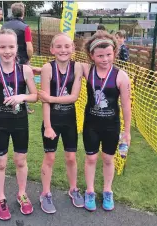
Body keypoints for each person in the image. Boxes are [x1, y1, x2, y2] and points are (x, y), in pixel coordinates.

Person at [0, 29, 38, 220]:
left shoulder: (26, 70)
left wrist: (23, 96)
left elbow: (35, 96)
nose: (7, 51)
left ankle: (22, 193)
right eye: (3, 46)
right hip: (0, 123)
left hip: (20, 122)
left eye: (11, 46)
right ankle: (0, 198)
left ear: (17, 47)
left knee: (21, 161)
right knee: (1, 163)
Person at [81, 30, 131, 211]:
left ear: (115, 53)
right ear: (91, 55)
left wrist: (127, 132)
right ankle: (90, 191)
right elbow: (63, 67)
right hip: (91, 125)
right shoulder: (86, 70)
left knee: (108, 159)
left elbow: (126, 106)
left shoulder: (121, 76)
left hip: (111, 125)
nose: (105, 59)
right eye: (100, 55)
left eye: (108, 55)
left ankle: (107, 190)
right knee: (91, 158)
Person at [38, 33, 84, 214]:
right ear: (52, 49)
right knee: (50, 157)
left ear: (73, 48)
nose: (63, 50)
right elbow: (45, 101)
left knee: (71, 157)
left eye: (67, 46)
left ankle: (73, 189)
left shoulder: (78, 67)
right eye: (59, 46)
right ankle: (45, 193)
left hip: (69, 120)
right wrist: (48, 126)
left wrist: (52, 98)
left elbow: (74, 97)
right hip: (52, 120)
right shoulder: (47, 68)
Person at [2, 2, 34, 114]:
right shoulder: (25, 27)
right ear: (23, 12)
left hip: (6, 59)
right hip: (22, 60)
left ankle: (6, 102)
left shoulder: (4, 26)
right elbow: (29, 47)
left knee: (7, 81)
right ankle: (23, 105)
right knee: (23, 82)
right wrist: (28, 58)